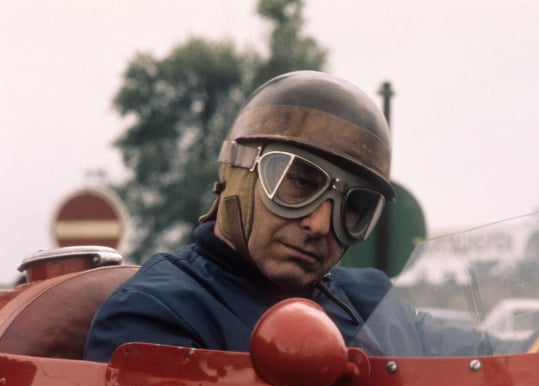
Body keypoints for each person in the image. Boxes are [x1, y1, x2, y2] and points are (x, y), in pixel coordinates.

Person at [84, 71, 400, 362]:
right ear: (238, 174)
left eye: (355, 207)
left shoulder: (371, 300)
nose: (319, 225)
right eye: (300, 183)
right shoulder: (153, 312)